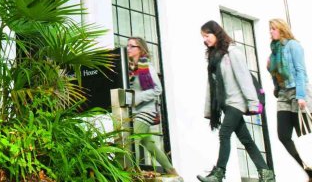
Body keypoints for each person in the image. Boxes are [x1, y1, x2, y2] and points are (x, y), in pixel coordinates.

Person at [197, 20, 275, 182]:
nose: (205, 39)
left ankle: (218, 174)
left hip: (237, 102)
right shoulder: (213, 58)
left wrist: (253, 103)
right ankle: (266, 173)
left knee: (224, 133)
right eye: (203, 37)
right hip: (225, 104)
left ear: (216, 33)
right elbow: (210, 87)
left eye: (207, 35)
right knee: (246, 139)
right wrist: (209, 110)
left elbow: (244, 78)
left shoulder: (233, 53)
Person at [127, 37, 180, 178]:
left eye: (132, 46)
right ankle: (171, 171)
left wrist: (137, 98)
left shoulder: (147, 67)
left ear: (141, 49)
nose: (128, 49)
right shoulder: (130, 69)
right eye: (128, 46)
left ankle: (132, 172)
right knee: (148, 144)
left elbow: (158, 89)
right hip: (134, 111)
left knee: (132, 140)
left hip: (146, 111)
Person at [267, 18, 312, 180]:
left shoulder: (293, 46)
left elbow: (300, 71)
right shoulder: (274, 51)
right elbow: (277, 76)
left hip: (297, 92)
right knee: (283, 135)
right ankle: (307, 169)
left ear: (281, 29)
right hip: (283, 95)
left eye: (273, 28)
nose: (271, 32)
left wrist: (301, 96)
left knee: (304, 133)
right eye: (270, 29)